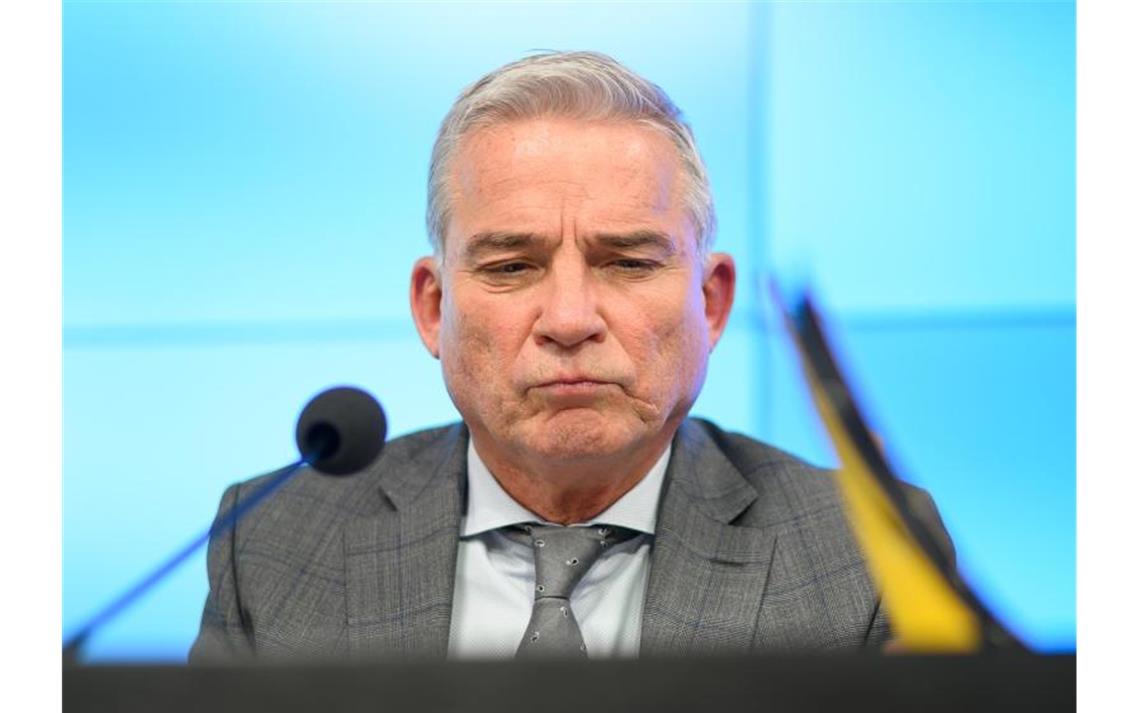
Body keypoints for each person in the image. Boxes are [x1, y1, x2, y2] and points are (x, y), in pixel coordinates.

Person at [190, 51, 949, 662]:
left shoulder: (863, 551)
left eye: (626, 262)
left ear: (711, 303)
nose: (568, 319)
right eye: (511, 266)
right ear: (433, 307)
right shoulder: (275, 542)